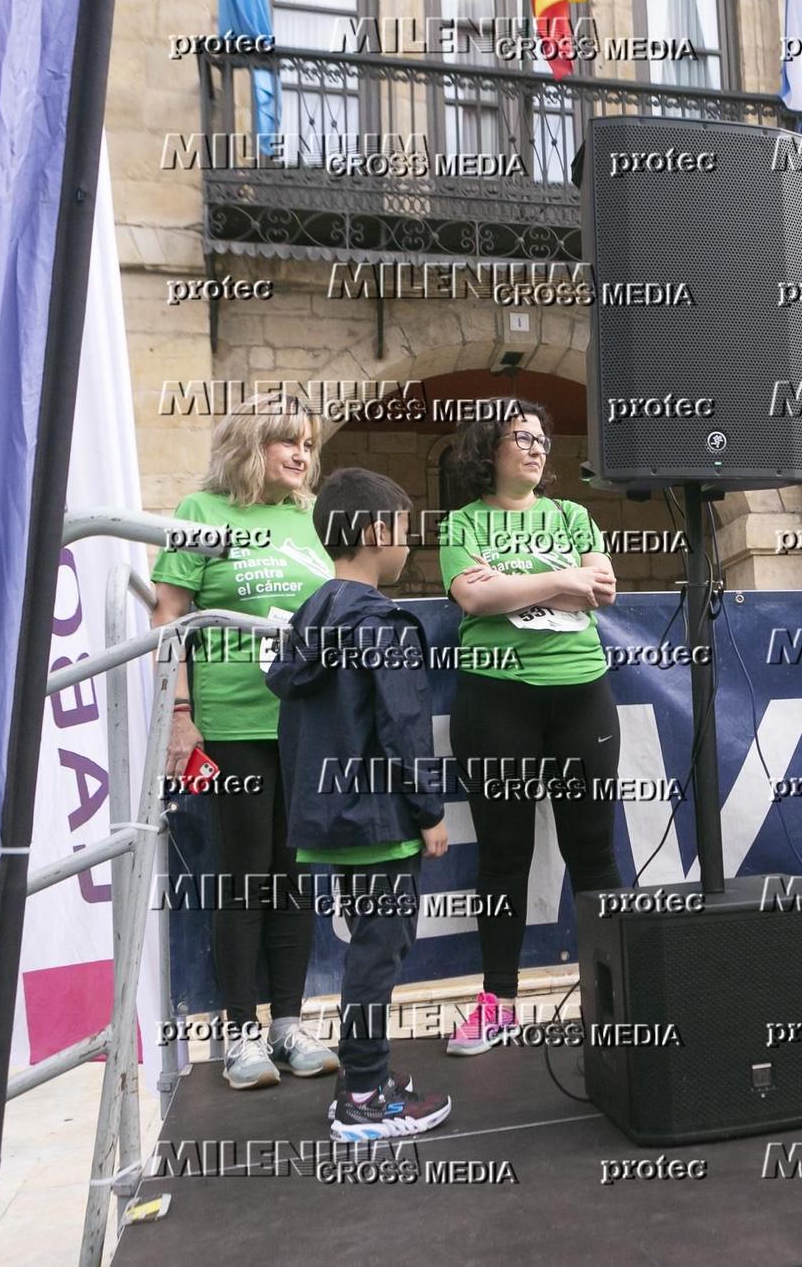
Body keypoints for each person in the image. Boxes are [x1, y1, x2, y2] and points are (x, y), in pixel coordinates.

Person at [152, 392, 339, 1089]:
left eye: (309, 444)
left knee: (295, 876)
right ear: (247, 444)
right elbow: (169, 617)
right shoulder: (202, 513)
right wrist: (178, 711)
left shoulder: (310, 518)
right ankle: (238, 1034)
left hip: (308, 721)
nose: (301, 455)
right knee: (245, 874)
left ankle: (288, 1024)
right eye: (288, 440)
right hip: (233, 721)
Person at [267, 468, 453, 1137]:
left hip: (334, 817)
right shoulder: (386, 623)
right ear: (377, 532)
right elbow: (402, 728)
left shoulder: (309, 617)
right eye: (404, 531)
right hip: (380, 818)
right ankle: (366, 1097)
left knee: (367, 950)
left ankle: (362, 1073)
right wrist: (429, 811)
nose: (407, 545)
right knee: (379, 950)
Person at [439, 400, 625, 1056]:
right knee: (503, 856)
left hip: (581, 694)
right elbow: (474, 597)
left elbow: (601, 589)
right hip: (495, 698)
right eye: (521, 436)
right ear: (489, 447)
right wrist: (560, 579)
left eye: (542, 437)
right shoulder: (463, 521)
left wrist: (520, 581)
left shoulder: (573, 514)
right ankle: (498, 1002)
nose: (536, 447)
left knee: (594, 852)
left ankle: (613, 999)